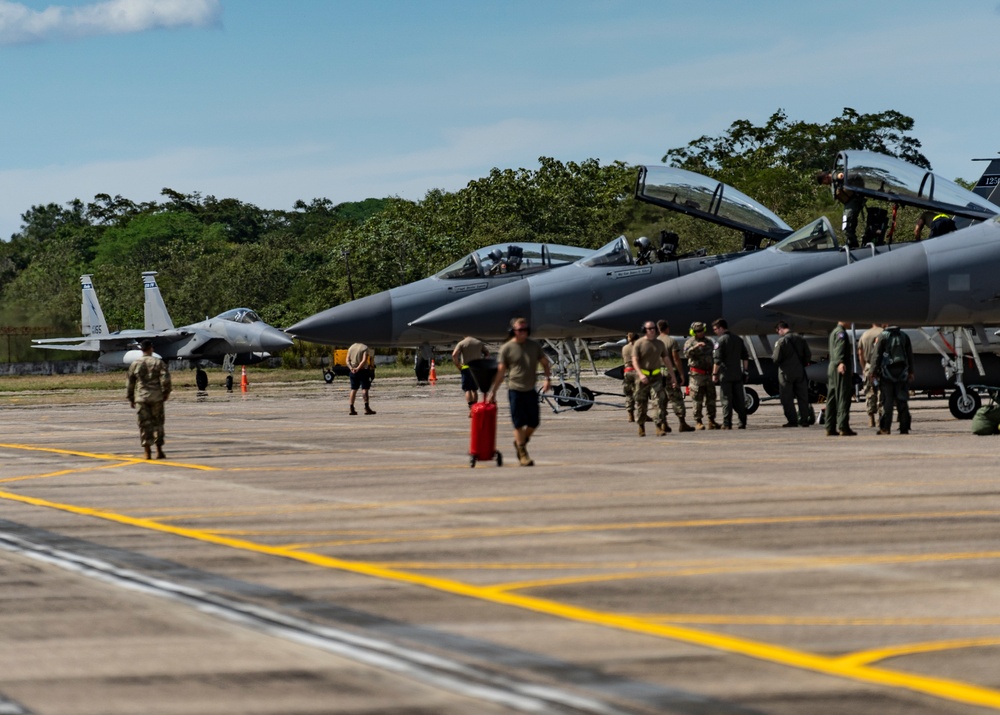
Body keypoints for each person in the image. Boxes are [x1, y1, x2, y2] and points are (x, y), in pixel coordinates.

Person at [487, 317, 552, 466]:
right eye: (520, 330)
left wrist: (547, 379)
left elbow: (545, 363)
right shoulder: (507, 348)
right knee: (519, 423)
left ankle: (520, 442)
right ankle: (523, 453)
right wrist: (493, 392)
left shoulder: (534, 345)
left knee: (534, 423)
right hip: (515, 390)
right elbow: (501, 372)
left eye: (525, 329)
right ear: (513, 331)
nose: (523, 332)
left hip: (530, 389)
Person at [126, 339, 172, 460]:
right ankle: (159, 450)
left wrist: (131, 398)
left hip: (141, 398)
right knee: (158, 424)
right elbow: (165, 379)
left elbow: (130, 382)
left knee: (144, 425)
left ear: (141, 349)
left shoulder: (135, 363)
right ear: (151, 348)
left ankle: (147, 452)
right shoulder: (158, 363)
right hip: (156, 397)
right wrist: (165, 393)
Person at [631, 321, 678, 436]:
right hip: (642, 378)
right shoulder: (639, 344)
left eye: (653, 328)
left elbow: (666, 359)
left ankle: (658, 427)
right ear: (644, 330)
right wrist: (641, 374)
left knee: (659, 402)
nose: (652, 330)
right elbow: (635, 361)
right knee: (642, 403)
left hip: (656, 377)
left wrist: (673, 376)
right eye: (649, 328)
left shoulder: (660, 344)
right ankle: (641, 426)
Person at [872, 325, 915, 435]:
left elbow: (877, 356)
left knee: (887, 402)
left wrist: (873, 372)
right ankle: (904, 428)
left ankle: (885, 428)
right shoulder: (904, 336)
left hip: (887, 374)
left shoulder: (882, 337)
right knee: (902, 401)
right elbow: (910, 356)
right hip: (902, 373)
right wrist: (911, 372)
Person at [771, 321, 812, 427]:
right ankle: (804, 420)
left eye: (778, 331)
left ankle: (792, 421)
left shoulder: (782, 341)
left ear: (780, 329)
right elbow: (808, 356)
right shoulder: (800, 339)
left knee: (786, 398)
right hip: (800, 372)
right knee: (803, 397)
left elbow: (776, 359)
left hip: (785, 373)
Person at [656, 319, 694, 432]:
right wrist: (681, 374)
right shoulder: (671, 341)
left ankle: (664, 423)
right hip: (669, 373)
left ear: (658, 329)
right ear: (667, 328)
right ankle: (682, 423)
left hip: (658, 373)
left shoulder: (654, 342)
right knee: (676, 399)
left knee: (661, 399)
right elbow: (676, 359)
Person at [711, 318, 749, 429]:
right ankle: (742, 423)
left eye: (716, 329)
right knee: (740, 400)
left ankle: (727, 423)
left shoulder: (721, 341)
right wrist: (745, 371)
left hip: (726, 375)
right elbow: (745, 357)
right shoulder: (738, 339)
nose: (715, 332)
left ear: (721, 328)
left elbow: (717, 360)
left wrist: (714, 374)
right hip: (737, 375)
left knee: (726, 399)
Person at [816, 170, 866, 248]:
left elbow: (849, 176)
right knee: (847, 225)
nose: (825, 184)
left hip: (853, 201)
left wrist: (840, 177)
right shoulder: (833, 181)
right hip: (849, 203)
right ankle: (851, 243)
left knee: (847, 225)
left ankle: (853, 245)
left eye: (823, 182)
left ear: (825, 178)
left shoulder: (837, 176)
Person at [683, 321, 719, 429]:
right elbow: (686, 354)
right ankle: (698, 421)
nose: (701, 333)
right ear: (694, 332)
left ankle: (711, 420)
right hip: (697, 375)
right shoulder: (690, 343)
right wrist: (695, 347)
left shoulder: (709, 342)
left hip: (708, 374)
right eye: (698, 331)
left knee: (711, 398)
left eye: (702, 330)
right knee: (697, 399)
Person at [825, 321, 856, 436]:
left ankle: (830, 427)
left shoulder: (834, 332)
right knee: (843, 396)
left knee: (832, 397)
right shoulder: (841, 333)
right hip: (839, 368)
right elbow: (840, 348)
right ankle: (843, 427)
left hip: (832, 367)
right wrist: (841, 362)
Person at [857, 323, 885, 427]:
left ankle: (871, 418)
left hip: (868, 366)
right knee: (882, 392)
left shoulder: (864, 334)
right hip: (882, 367)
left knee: (869, 392)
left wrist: (864, 367)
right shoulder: (883, 333)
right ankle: (881, 416)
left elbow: (860, 352)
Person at [452, 336, 489, 412]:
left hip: (466, 368)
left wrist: (458, 365)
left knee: (467, 389)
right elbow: (487, 353)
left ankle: (471, 407)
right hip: (477, 368)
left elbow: (454, 355)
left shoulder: (462, 343)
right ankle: (475, 407)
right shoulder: (479, 342)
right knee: (474, 389)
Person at [346, 342, 376, 415]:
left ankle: (351, 408)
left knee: (353, 389)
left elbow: (347, 360)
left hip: (353, 371)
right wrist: (358, 368)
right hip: (363, 371)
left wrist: (351, 368)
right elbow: (364, 360)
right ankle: (366, 407)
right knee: (365, 389)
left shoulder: (351, 347)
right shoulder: (364, 348)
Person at [621, 332, 638, 422]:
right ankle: (642, 414)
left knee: (629, 394)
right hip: (636, 371)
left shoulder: (624, 348)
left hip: (627, 372)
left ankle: (630, 415)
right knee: (640, 393)